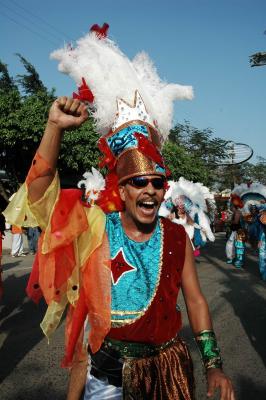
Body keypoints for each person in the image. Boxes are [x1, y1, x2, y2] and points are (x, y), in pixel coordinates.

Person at [4, 24, 235, 400]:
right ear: (121, 188)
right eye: (139, 182)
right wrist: (53, 127)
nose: (150, 190)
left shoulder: (175, 235)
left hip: (168, 375)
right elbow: (37, 194)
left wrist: (214, 365)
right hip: (106, 380)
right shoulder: (95, 224)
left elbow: (195, 300)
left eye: (157, 183)